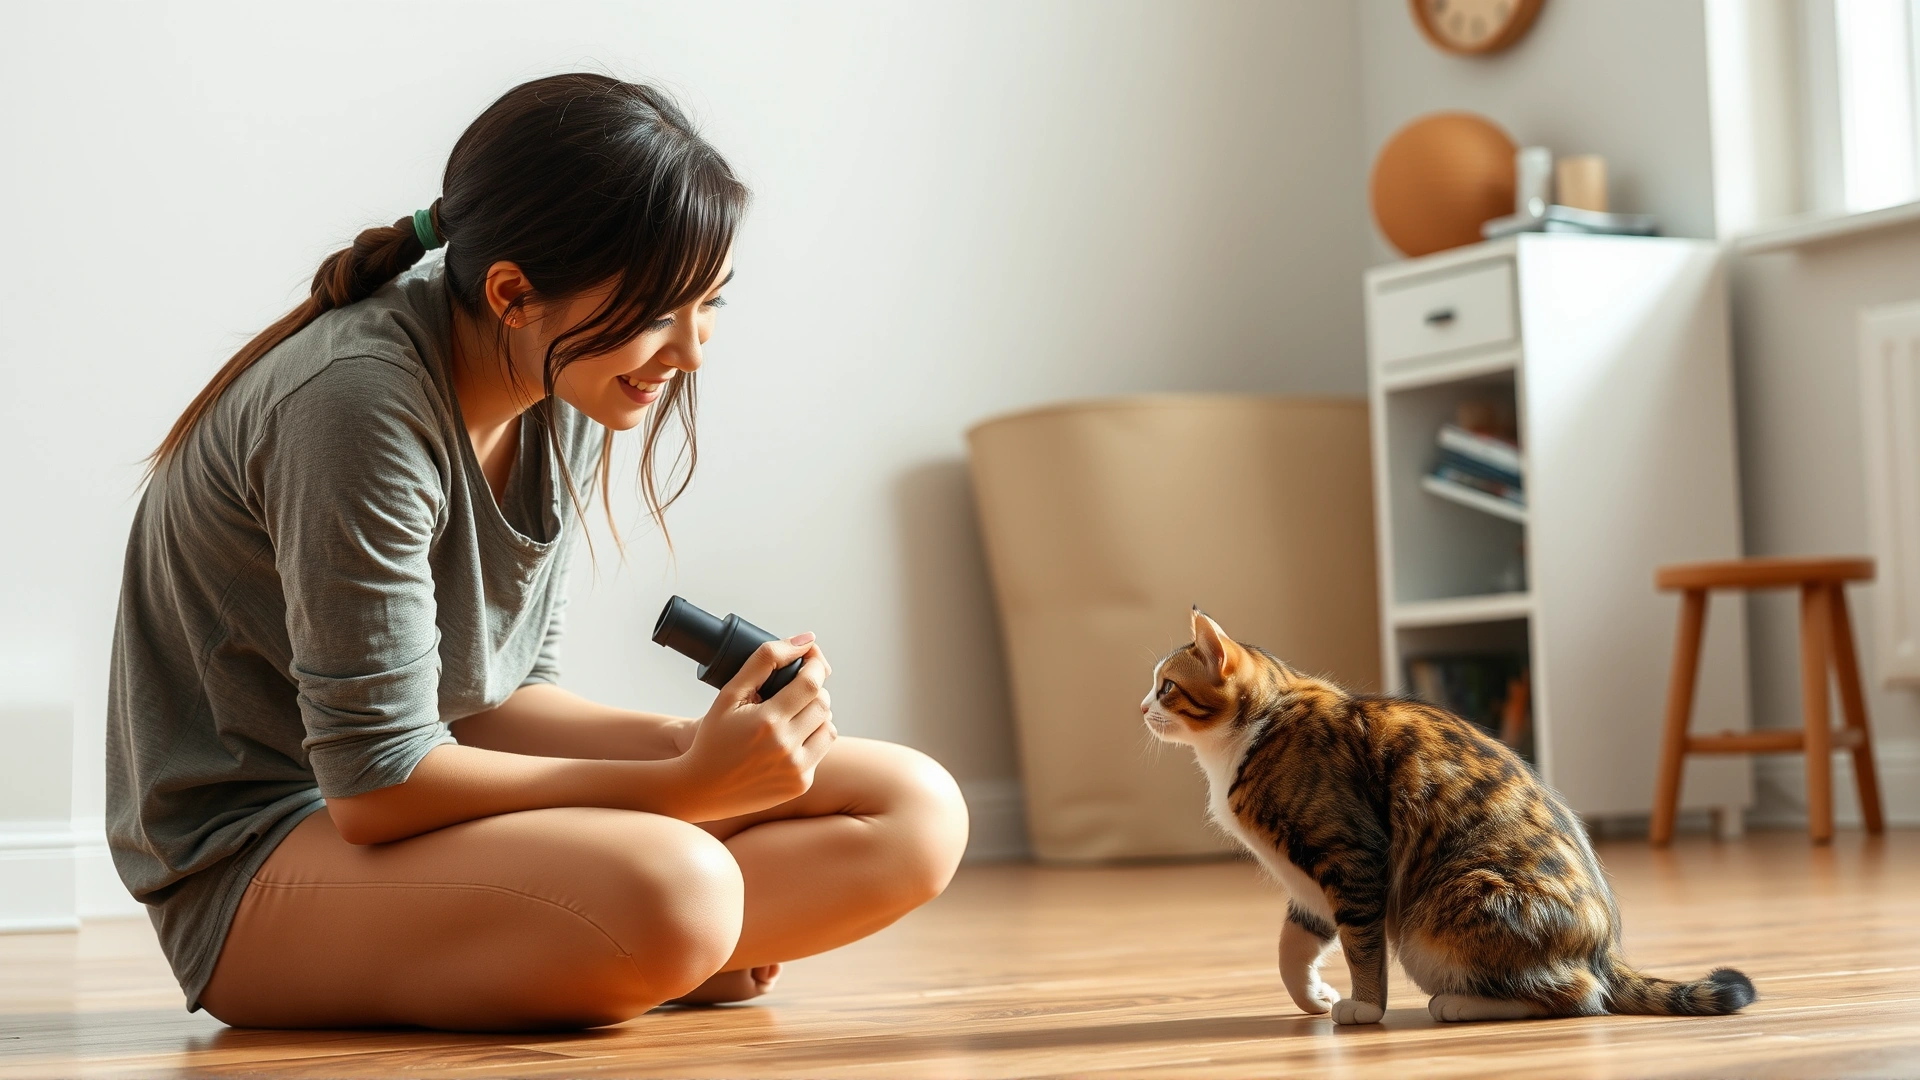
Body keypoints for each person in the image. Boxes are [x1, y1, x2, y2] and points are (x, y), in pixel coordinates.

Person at [105, 72, 969, 1032]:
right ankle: (631, 945)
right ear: (515, 294)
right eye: (656, 312)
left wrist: (712, 741)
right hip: (260, 864)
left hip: (423, 808)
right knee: (679, 886)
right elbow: (379, 783)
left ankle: (611, 954)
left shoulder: (567, 380)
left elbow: (500, 702)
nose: (691, 353)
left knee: (912, 808)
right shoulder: (355, 405)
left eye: (710, 302)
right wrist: (680, 783)